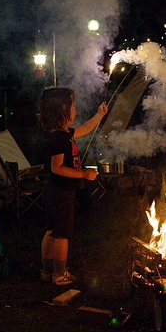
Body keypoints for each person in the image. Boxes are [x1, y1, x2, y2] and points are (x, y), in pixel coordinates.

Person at [39, 87, 108, 286]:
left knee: (52, 231)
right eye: (73, 106)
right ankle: (59, 274)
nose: (75, 111)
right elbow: (57, 168)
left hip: (55, 191)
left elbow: (86, 128)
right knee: (62, 234)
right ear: (62, 109)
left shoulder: (63, 134)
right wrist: (84, 174)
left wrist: (99, 114)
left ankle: (46, 270)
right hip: (61, 192)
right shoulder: (59, 138)